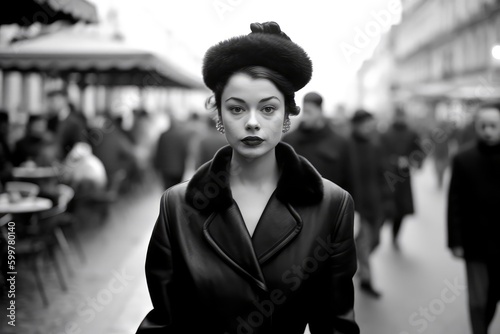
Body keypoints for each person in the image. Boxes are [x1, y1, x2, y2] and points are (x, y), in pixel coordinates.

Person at [137, 22, 359, 334]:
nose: (252, 122)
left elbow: (335, 325)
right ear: (219, 116)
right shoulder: (177, 206)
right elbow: (165, 322)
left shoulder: (331, 205)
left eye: (268, 109)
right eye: (237, 109)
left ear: (286, 116)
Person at [447, 101, 500, 334]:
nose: (488, 131)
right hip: (475, 241)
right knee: (478, 300)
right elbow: (454, 204)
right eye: (483, 126)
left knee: (494, 295)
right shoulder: (463, 159)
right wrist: (456, 241)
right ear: (477, 127)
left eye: (493, 126)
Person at [349, 109, 389, 299]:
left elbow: (383, 175)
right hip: (357, 206)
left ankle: (358, 264)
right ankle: (366, 280)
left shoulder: (375, 146)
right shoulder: (346, 147)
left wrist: (387, 199)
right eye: (366, 124)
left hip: (376, 204)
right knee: (364, 243)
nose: (370, 128)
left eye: (371, 124)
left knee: (376, 241)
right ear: (356, 125)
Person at [282, 92, 355, 195]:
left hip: (332, 204)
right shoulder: (290, 140)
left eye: (309, 112)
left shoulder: (340, 142)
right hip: (297, 205)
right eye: (304, 112)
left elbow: (349, 179)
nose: (305, 117)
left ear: (320, 111)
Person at [380, 107, 424, 250]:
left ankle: (395, 236)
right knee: (387, 207)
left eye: (401, 115)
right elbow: (379, 153)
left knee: (401, 209)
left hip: (404, 177)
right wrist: (392, 161)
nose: (399, 118)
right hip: (388, 177)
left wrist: (410, 161)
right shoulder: (385, 133)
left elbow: (419, 152)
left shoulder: (412, 133)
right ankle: (381, 235)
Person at [46, 88, 88, 160]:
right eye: (50, 101)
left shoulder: (76, 120)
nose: (52, 104)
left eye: (54, 101)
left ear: (64, 100)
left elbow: (81, 144)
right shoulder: (51, 121)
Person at [153, 116, 191, 190]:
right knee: (176, 188)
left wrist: (156, 165)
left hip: (166, 168)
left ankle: (167, 200)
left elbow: (159, 151)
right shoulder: (181, 136)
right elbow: (185, 151)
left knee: (167, 188)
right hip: (179, 168)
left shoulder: (163, 135)